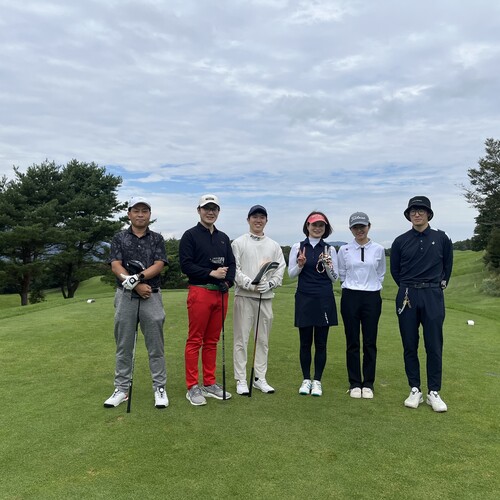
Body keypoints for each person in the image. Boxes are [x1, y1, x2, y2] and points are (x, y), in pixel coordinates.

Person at [104, 197, 169, 409]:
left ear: (149, 214)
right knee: (124, 345)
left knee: (155, 346)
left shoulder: (157, 239)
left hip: (152, 295)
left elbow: (159, 264)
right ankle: (121, 389)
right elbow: (115, 265)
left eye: (145, 211)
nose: (140, 214)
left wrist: (138, 278)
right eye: (136, 210)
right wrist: (132, 284)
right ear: (129, 214)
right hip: (125, 296)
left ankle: (159, 387)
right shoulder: (119, 238)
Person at [390, 196, 453, 412]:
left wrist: (434, 286)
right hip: (407, 294)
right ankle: (414, 388)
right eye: (413, 211)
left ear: (428, 214)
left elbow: (447, 267)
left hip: (433, 294)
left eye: (421, 210)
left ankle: (433, 391)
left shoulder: (441, 238)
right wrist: (409, 287)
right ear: (408, 215)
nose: (417, 214)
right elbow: (395, 271)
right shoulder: (400, 241)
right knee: (410, 344)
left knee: (434, 344)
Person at [179, 194, 236, 406]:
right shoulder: (190, 235)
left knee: (212, 341)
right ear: (199, 210)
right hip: (200, 291)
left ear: (218, 211)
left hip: (220, 293)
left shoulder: (223, 237)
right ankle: (192, 386)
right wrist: (211, 273)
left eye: (214, 209)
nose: (210, 212)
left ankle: (210, 383)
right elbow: (186, 265)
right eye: (206, 208)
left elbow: (232, 263)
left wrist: (228, 282)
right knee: (195, 340)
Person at [231, 205, 286, 395]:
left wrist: (270, 284)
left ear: (266, 221)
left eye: (262, 217)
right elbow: (235, 269)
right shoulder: (238, 243)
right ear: (248, 220)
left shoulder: (274, 245)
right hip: (244, 297)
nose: (258, 220)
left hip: (266, 297)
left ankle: (259, 378)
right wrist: (249, 284)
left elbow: (280, 269)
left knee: (262, 340)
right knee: (241, 339)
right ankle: (241, 379)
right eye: (254, 217)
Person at [288, 211, 339, 397]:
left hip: (324, 299)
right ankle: (306, 379)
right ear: (307, 226)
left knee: (321, 343)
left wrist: (328, 265)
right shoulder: (298, 247)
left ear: (326, 228)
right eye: (314, 225)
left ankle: (317, 380)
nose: (317, 228)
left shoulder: (330, 249)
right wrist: (300, 264)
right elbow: (291, 274)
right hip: (304, 298)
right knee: (305, 342)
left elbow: (335, 278)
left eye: (321, 225)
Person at [338, 212, 386, 399]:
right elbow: (342, 272)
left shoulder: (378, 249)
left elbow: (380, 273)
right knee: (352, 342)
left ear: (369, 226)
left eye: (362, 226)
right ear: (351, 229)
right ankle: (355, 383)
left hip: (372, 297)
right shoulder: (344, 249)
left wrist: (370, 286)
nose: (359, 230)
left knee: (369, 342)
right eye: (355, 227)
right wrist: (352, 285)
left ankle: (368, 383)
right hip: (350, 295)